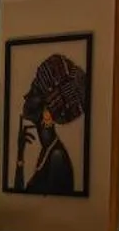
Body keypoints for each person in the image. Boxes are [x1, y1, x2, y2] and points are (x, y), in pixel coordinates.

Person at [13, 53, 89, 195]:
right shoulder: (48, 151)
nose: (26, 95)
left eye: (34, 91)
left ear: (48, 112)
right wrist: (20, 153)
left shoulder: (57, 157)